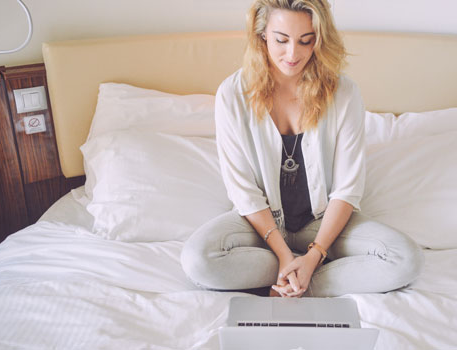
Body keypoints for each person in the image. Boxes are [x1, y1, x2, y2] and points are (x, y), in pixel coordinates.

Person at [181, 0, 423, 298]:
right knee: (198, 260)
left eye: (306, 41)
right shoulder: (232, 95)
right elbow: (242, 190)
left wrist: (314, 255)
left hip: (322, 222)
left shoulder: (344, 93)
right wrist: (284, 255)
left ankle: (296, 283)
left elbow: (347, 189)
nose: (293, 54)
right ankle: (290, 273)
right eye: (281, 40)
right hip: (258, 225)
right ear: (262, 35)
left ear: (319, 40)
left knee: (405, 258)